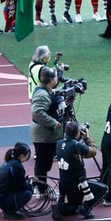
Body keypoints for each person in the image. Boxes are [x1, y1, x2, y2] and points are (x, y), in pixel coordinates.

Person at [52, 121, 107, 221]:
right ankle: (86, 208)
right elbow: (93, 152)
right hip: (78, 184)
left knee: (75, 206)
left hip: (64, 184)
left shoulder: (59, 144)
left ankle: (60, 207)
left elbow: (72, 153)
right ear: (77, 133)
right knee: (103, 189)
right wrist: (87, 137)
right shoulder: (76, 146)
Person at [29, 65, 63, 194]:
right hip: (43, 135)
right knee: (42, 165)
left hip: (45, 135)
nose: (57, 78)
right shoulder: (42, 94)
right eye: (56, 76)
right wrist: (52, 122)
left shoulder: (45, 90)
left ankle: (41, 188)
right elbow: (37, 112)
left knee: (45, 163)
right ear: (51, 80)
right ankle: (42, 191)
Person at [0, 142, 35, 220]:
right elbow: (22, 186)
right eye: (27, 155)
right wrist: (30, 185)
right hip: (0, 199)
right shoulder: (17, 166)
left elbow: (14, 179)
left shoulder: (9, 162)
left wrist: (27, 178)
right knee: (28, 193)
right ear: (22, 156)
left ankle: (7, 207)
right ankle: (9, 212)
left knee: (24, 190)